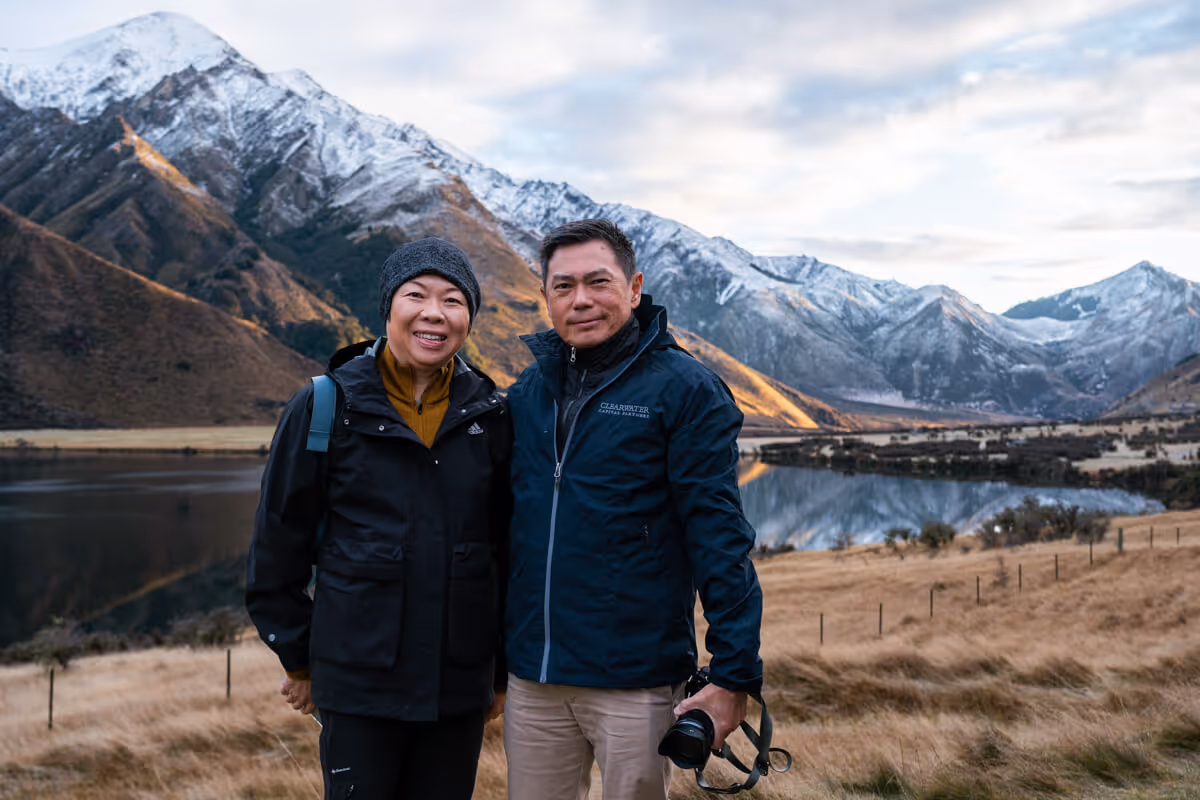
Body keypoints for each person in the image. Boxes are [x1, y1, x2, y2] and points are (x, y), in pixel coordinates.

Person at [502, 219, 764, 800]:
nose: (582, 299)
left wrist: (734, 673)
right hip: (533, 678)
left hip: (634, 681)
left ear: (634, 287)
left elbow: (719, 536)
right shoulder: (527, 393)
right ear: (545, 297)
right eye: (563, 286)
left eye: (598, 281)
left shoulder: (685, 389)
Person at [246, 237, 511, 800]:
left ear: (469, 318)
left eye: (453, 300)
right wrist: (299, 659)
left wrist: (500, 674)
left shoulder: (491, 416)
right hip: (357, 685)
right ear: (388, 307)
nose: (434, 313)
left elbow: (507, 556)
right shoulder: (324, 406)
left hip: (457, 689)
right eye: (416, 295)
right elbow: (277, 549)